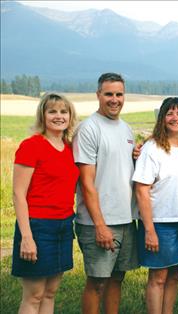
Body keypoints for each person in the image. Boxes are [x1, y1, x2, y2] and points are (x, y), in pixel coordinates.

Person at [73, 72, 138, 314]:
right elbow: (86, 183)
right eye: (108, 94)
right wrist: (100, 225)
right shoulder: (89, 129)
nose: (114, 99)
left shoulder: (126, 129)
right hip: (98, 222)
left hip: (125, 219)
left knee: (117, 278)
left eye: (119, 94)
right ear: (98, 95)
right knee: (97, 282)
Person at [132, 97, 178, 314]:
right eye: (170, 113)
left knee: (174, 276)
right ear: (162, 119)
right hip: (160, 223)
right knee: (158, 277)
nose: (175, 118)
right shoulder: (151, 149)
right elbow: (141, 189)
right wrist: (149, 230)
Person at [11, 93, 78, 314]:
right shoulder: (31, 146)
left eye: (63, 111)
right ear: (43, 115)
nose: (58, 116)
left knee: (50, 292)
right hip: (37, 227)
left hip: (64, 226)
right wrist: (27, 238)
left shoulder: (70, 148)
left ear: (70, 116)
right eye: (52, 111)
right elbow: (18, 194)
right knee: (34, 295)